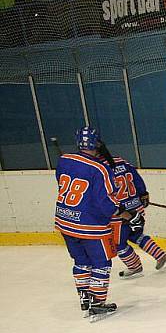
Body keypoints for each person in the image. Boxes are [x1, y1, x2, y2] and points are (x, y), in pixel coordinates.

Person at [54, 127, 134, 321]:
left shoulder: (64, 159)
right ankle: (97, 303)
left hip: (65, 221)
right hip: (90, 226)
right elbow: (106, 202)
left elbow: (61, 183)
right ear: (97, 143)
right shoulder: (100, 168)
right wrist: (123, 213)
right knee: (102, 263)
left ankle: (84, 299)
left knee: (81, 262)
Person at [102, 147, 166, 279]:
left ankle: (135, 267)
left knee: (118, 243)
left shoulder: (100, 168)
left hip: (120, 213)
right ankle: (160, 256)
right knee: (136, 235)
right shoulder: (121, 161)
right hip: (136, 207)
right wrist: (143, 193)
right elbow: (136, 178)